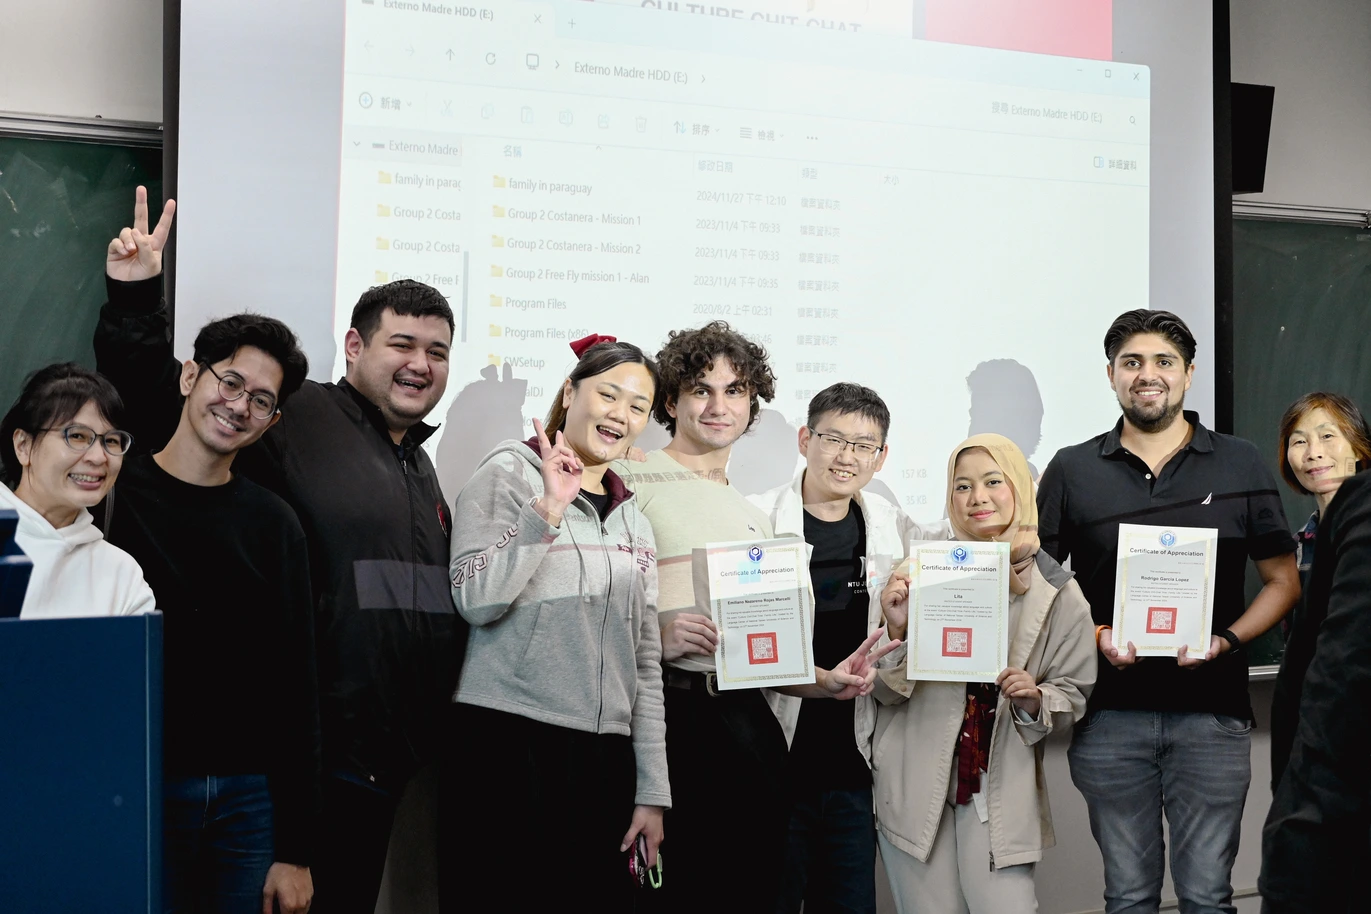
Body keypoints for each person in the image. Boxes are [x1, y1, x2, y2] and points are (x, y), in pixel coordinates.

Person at [94, 187, 462, 913]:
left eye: (437, 352)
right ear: (354, 347)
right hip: (307, 764)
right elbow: (165, 407)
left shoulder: (420, 466)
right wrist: (134, 300)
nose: (420, 363)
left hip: (386, 768)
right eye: (402, 344)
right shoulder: (298, 414)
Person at [1036, 309, 1300, 914]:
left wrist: (1226, 641)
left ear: (1189, 374)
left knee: (1207, 896)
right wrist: (1096, 633)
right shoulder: (1072, 468)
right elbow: (1043, 584)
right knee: (1129, 897)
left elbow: (1283, 581)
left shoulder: (1240, 461)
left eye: (1163, 362)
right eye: (1131, 362)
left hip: (1213, 715)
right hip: (1108, 716)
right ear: (1111, 374)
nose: (1147, 374)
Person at [97, 301, 320, 914]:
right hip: (139, 786)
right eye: (231, 382)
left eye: (261, 400)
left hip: (249, 800)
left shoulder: (275, 525)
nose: (240, 406)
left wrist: (297, 849)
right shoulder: (110, 497)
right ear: (190, 377)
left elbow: (297, 685)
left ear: (271, 422)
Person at [443, 336, 668, 909]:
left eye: (637, 406)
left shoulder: (635, 521)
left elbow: (644, 664)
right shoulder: (508, 473)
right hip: (507, 743)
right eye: (608, 395)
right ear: (571, 392)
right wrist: (547, 509)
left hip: (603, 760)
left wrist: (651, 790)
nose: (620, 414)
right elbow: (474, 597)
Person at [873, 434, 1095, 912]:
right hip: (915, 782)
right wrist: (897, 631)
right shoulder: (915, 573)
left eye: (994, 481)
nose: (977, 497)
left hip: (997, 785)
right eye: (962, 486)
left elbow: (1073, 694)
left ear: (1020, 487)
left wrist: (1035, 699)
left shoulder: (1057, 590)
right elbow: (881, 692)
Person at [613, 320, 791, 912]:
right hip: (668, 718)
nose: (719, 406)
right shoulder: (628, 478)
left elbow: (768, 650)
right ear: (671, 401)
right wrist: (655, 639)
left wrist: (826, 680)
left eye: (734, 390)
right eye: (701, 390)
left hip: (747, 723)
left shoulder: (755, 517)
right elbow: (587, 601)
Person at [748, 382, 939, 914]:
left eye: (863, 445)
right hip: (776, 764)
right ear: (805, 439)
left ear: (881, 457)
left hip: (853, 769)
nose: (846, 456)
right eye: (833, 439)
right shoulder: (756, 519)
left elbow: (962, 554)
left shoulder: (893, 527)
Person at [1258, 469, 1371, 914]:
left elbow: (1337, 675)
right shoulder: (1351, 510)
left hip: (1333, 825)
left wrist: (1295, 816)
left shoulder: (1358, 504)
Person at [1267, 393, 1371, 789]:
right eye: (1299, 441)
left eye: (1328, 436)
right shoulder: (1295, 551)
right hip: (1313, 727)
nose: (1313, 453)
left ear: (1359, 446)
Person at [0, 363, 154, 618]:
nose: (99, 457)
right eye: (77, 436)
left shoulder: (121, 575)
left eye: (111, 441)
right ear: (23, 445)